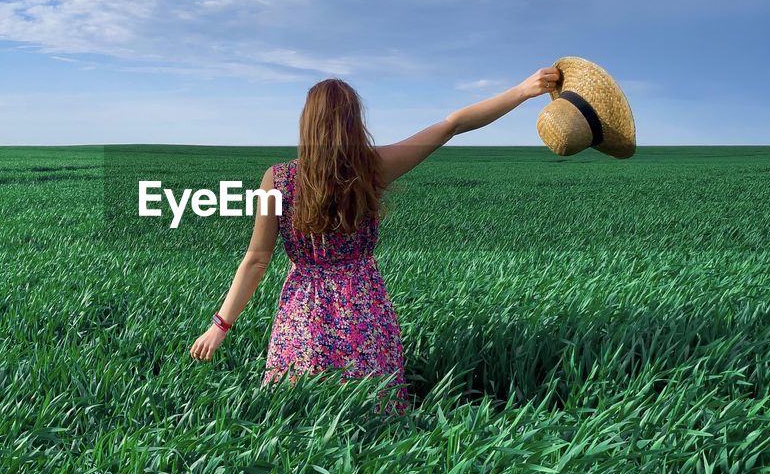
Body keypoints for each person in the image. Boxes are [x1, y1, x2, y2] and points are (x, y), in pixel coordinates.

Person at [189, 67, 562, 414]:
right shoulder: (373, 168)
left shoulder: (278, 179)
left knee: (300, 412)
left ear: (308, 123)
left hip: (303, 310)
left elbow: (257, 260)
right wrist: (522, 91)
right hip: (363, 302)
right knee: (374, 408)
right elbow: (452, 125)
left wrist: (219, 326)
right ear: (354, 123)